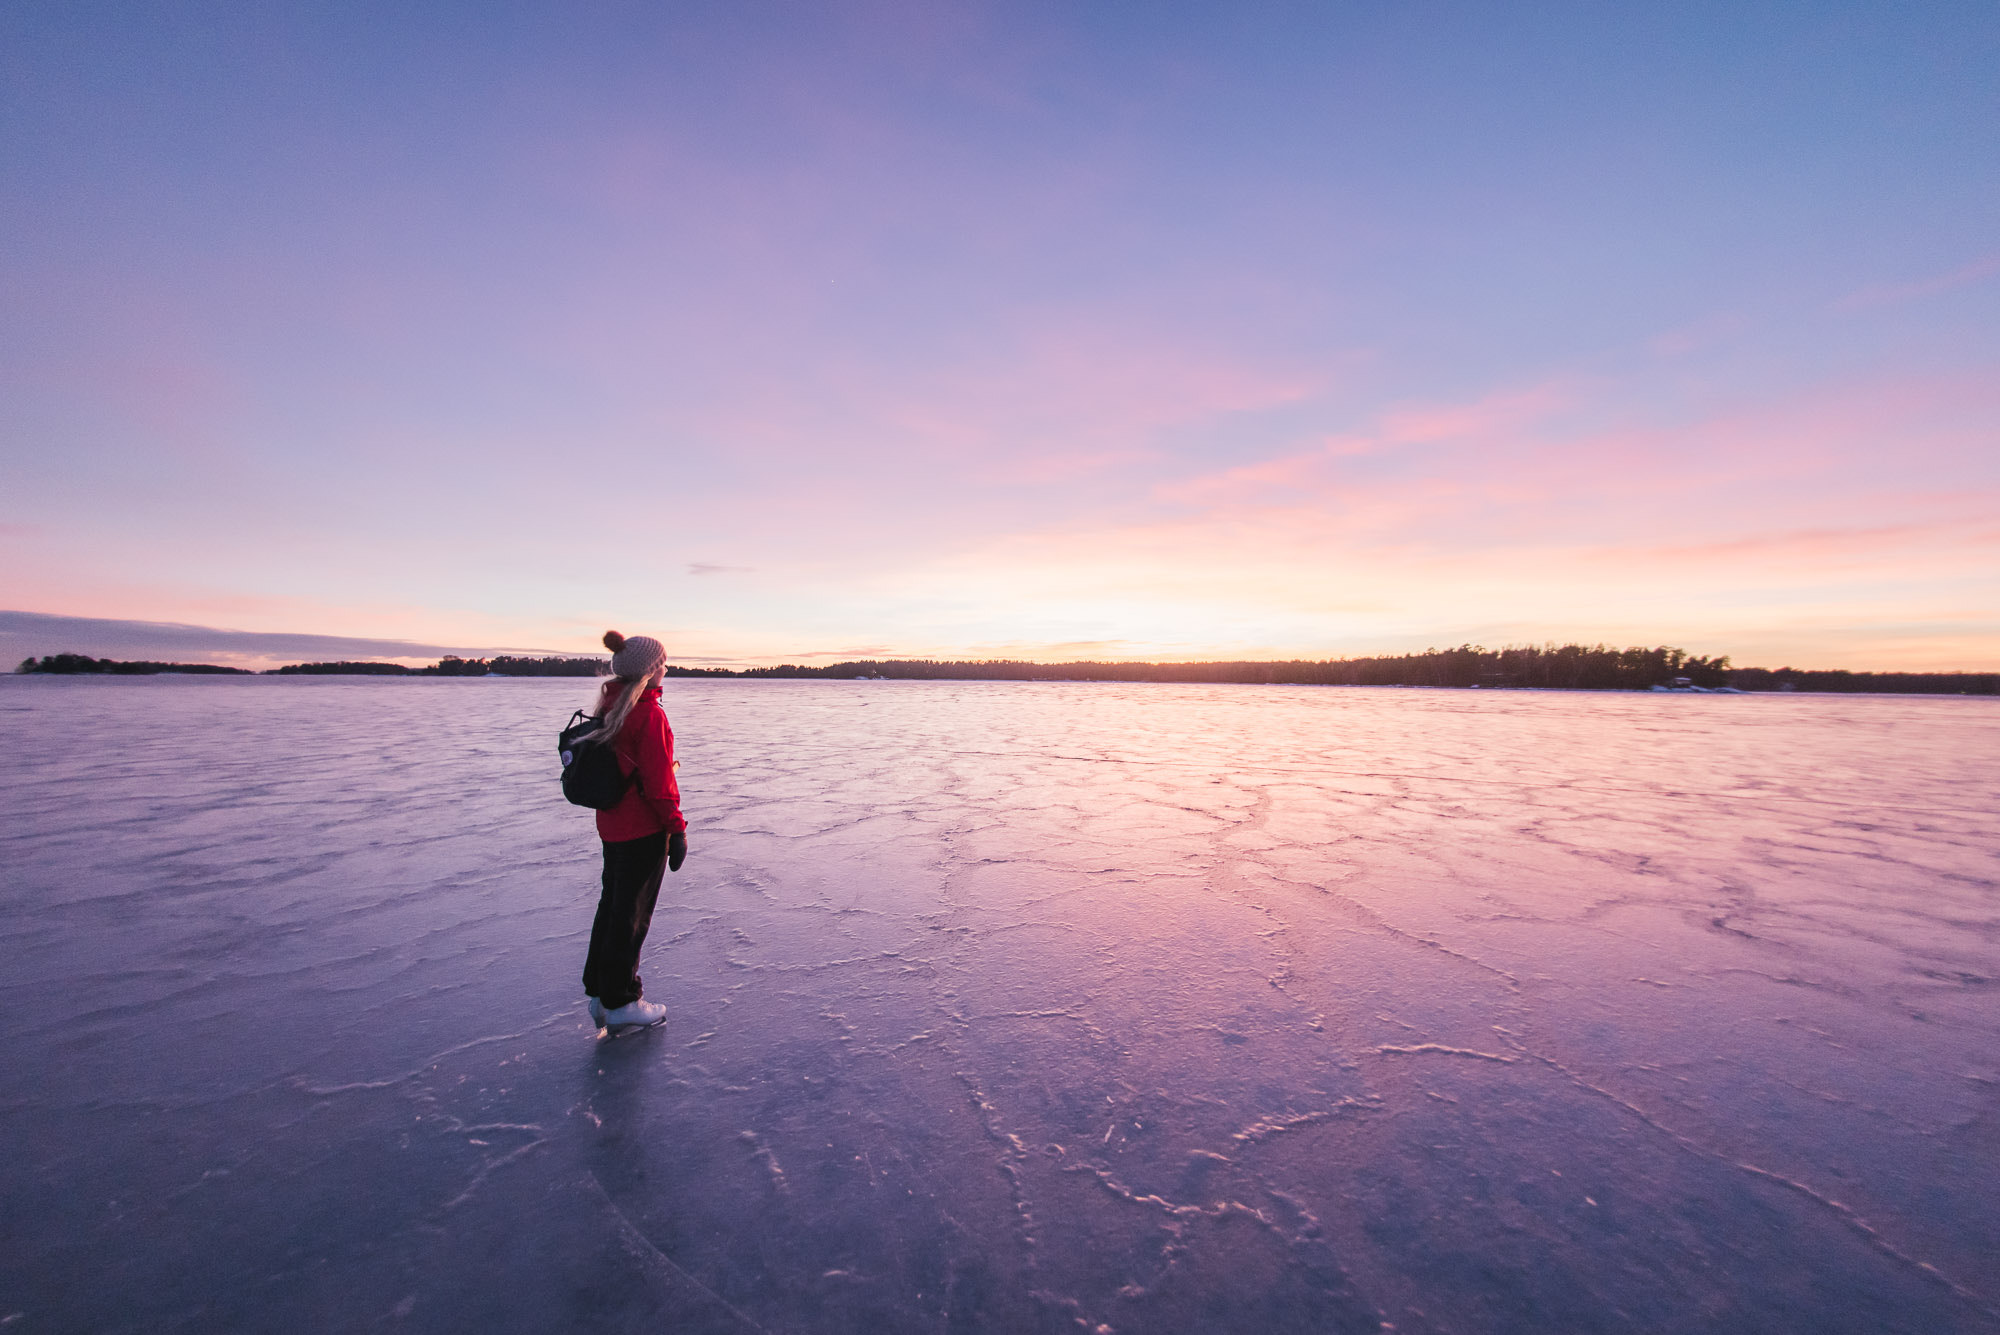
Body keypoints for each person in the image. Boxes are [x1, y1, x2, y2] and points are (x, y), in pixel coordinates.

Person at [580, 629, 689, 1032]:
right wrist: (676, 831)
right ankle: (622, 999)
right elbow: (660, 785)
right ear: (646, 672)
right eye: (660, 664)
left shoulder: (610, 707)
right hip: (642, 831)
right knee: (632, 915)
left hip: (612, 826)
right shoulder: (648, 714)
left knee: (612, 908)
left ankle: (601, 995)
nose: (666, 668)